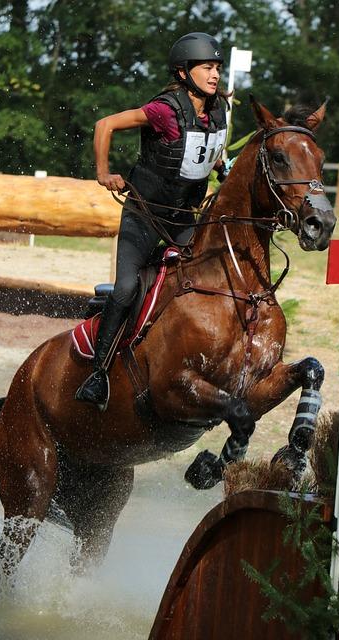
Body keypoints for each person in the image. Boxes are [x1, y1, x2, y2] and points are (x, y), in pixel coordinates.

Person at [75, 32, 228, 411]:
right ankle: (98, 374)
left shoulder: (219, 108)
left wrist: (222, 166)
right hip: (144, 216)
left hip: (182, 219)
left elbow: (207, 150)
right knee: (127, 288)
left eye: (217, 68)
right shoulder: (164, 109)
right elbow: (104, 125)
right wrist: (103, 172)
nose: (214, 74)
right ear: (183, 71)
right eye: (207, 67)